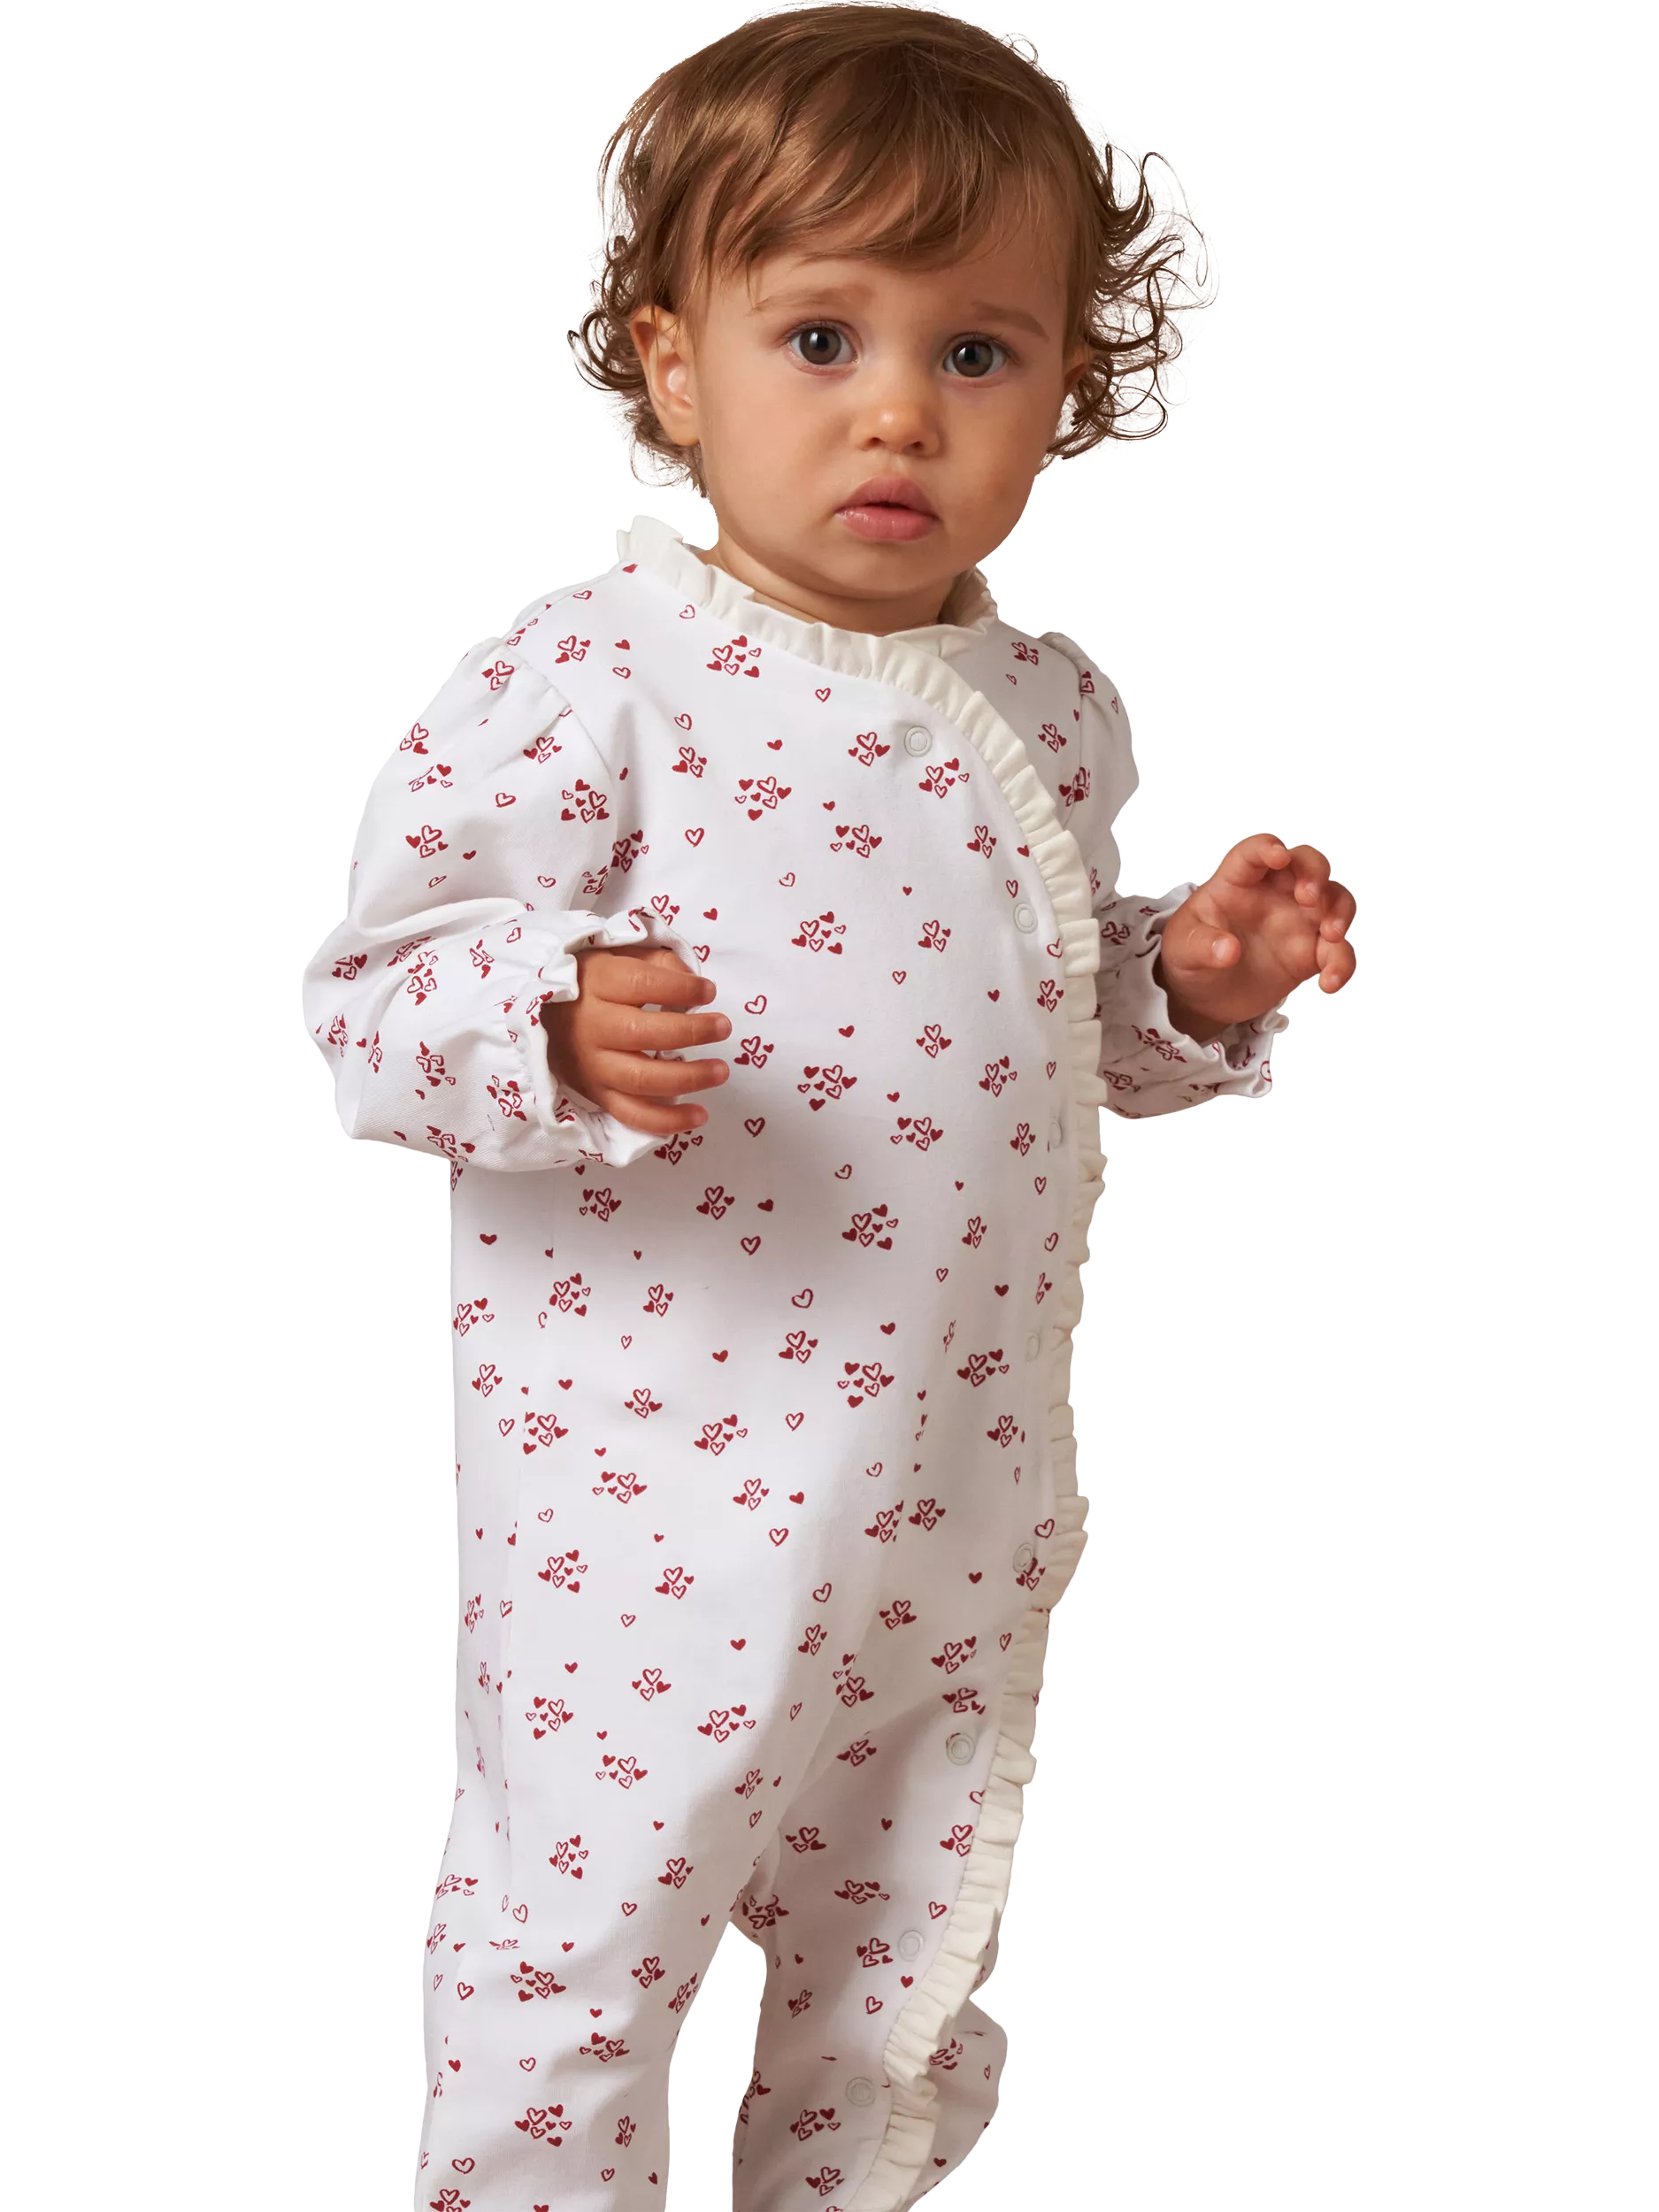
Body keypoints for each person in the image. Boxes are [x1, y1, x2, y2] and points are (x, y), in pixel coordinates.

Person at [301, 6, 1357, 2207]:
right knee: (579, 1942)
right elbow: (375, 999)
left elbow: (1043, 1022)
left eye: (976, 351)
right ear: (673, 364)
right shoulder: (597, 675)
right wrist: (551, 1020)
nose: (897, 408)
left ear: (1066, 387)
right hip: (648, 1500)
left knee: (898, 1958)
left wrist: (1186, 978)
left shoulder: (1047, 707)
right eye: (817, 336)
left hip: (948, 1489)